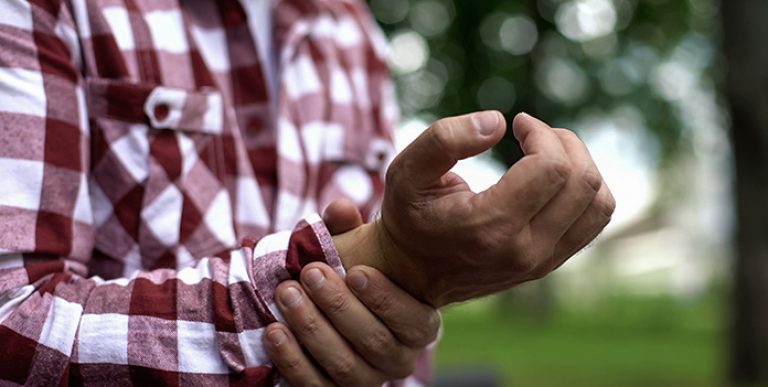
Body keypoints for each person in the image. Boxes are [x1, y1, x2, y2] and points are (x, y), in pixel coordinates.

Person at [0, 0, 613, 386]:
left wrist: (398, 328)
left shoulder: (350, 29)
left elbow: (402, 349)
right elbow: (11, 319)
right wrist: (383, 262)